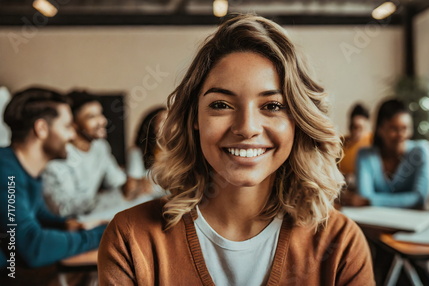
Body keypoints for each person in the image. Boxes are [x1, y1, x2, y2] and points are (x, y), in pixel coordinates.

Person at [98, 14, 374, 285]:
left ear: (298, 121)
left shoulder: (341, 243)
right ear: (194, 118)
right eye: (221, 104)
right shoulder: (131, 237)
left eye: (273, 106)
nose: (247, 127)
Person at [0, 88, 106, 282]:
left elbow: (37, 214)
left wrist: (67, 225)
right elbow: (33, 247)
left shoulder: (25, 169)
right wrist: (104, 233)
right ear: (41, 128)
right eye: (67, 126)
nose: (73, 135)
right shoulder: (5, 172)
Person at [42, 90, 137, 217]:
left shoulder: (101, 147)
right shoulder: (60, 154)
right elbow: (63, 209)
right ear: (73, 123)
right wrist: (103, 198)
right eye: (91, 117)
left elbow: (116, 180)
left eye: (101, 114)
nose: (102, 121)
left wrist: (131, 184)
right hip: (73, 223)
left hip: (96, 212)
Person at [356, 98, 429, 209]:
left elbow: (419, 198)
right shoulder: (365, 155)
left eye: (405, 128)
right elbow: (363, 196)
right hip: (376, 222)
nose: (401, 135)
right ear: (379, 129)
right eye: (393, 129)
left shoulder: (422, 151)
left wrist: (372, 200)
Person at [125, 106, 167, 197]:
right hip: (146, 201)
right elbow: (133, 189)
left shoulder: (177, 153)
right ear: (151, 126)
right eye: (163, 120)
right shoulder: (136, 152)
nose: (169, 125)